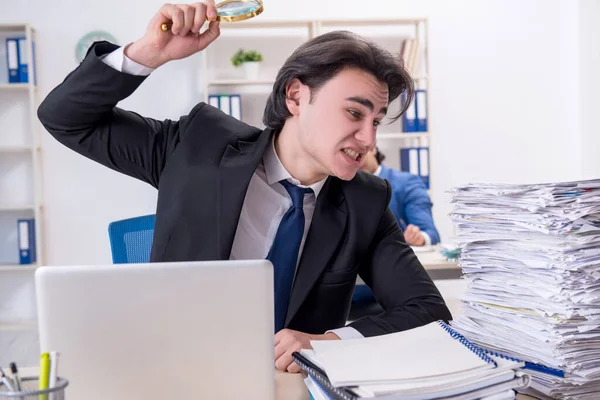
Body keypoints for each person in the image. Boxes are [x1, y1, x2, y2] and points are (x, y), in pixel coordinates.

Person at [37, 1, 451, 374]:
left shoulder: (366, 201)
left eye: (376, 121)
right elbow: (65, 119)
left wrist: (329, 342)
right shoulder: (198, 145)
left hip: (281, 383)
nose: (368, 140)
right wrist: (148, 54)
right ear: (295, 96)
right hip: (172, 368)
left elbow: (428, 310)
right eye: (353, 113)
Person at [360, 146, 440, 246]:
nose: (355, 161)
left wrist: (419, 238)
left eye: (359, 153)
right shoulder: (342, 187)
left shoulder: (406, 183)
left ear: (372, 148)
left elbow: (430, 234)